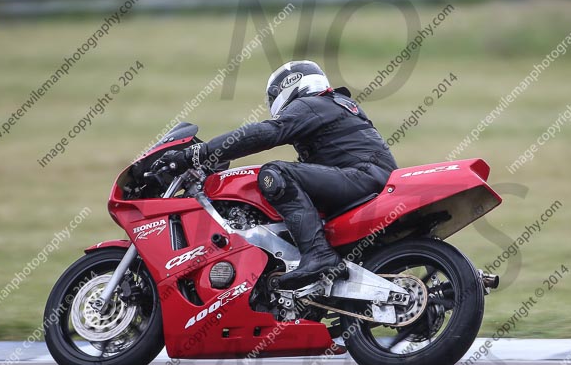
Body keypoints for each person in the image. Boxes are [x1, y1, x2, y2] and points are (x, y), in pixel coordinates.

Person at [153, 60, 397, 289]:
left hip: (360, 178)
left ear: (288, 88)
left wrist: (198, 153)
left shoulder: (312, 104)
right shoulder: (336, 104)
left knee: (275, 174)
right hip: (368, 178)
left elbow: (267, 133)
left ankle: (319, 255)